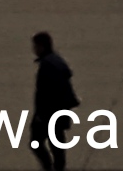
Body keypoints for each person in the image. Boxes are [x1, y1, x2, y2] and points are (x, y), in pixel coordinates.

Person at [31, 32, 79, 171]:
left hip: (49, 113)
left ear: (41, 46)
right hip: (58, 111)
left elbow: (46, 93)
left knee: (37, 142)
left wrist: (41, 114)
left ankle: (49, 167)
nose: (33, 49)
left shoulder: (47, 65)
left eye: (35, 46)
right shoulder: (55, 61)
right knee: (56, 143)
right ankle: (57, 167)